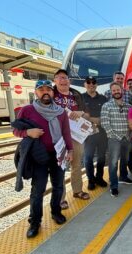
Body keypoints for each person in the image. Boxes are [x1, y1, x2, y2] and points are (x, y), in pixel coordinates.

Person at [13, 80, 73, 238]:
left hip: (57, 154)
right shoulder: (27, 110)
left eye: (48, 89)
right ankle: (35, 222)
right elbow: (16, 130)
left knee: (58, 186)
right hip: (38, 156)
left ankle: (56, 212)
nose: (45, 92)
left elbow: (66, 132)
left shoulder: (60, 112)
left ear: (52, 92)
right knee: (38, 189)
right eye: (41, 89)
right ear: (36, 92)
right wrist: (28, 133)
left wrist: (70, 150)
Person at [53, 69, 90, 208]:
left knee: (77, 164)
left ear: (69, 80)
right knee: (60, 166)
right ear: (55, 80)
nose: (63, 80)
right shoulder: (51, 94)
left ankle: (77, 190)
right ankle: (61, 198)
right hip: (59, 136)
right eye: (60, 78)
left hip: (75, 136)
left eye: (65, 78)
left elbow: (86, 114)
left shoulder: (76, 94)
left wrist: (80, 113)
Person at [100, 82, 132, 197]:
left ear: (122, 90)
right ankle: (113, 186)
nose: (116, 92)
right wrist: (114, 135)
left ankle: (123, 176)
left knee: (125, 159)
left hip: (127, 137)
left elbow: (131, 122)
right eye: (114, 90)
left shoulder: (128, 106)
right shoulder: (106, 106)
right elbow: (105, 123)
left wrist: (130, 134)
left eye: (118, 90)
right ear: (111, 92)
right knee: (113, 163)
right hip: (114, 138)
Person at [82, 76, 108, 190]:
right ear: (85, 84)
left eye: (93, 82)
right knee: (88, 158)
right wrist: (94, 119)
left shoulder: (103, 98)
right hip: (87, 134)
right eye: (88, 82)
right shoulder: (80, 98)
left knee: (101, 157)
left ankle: (99, 178)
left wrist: (90, 118)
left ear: (96, 85)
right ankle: (91, 180)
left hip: (102, 133)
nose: (91, 84)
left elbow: (106, 115)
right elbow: (79, 115)